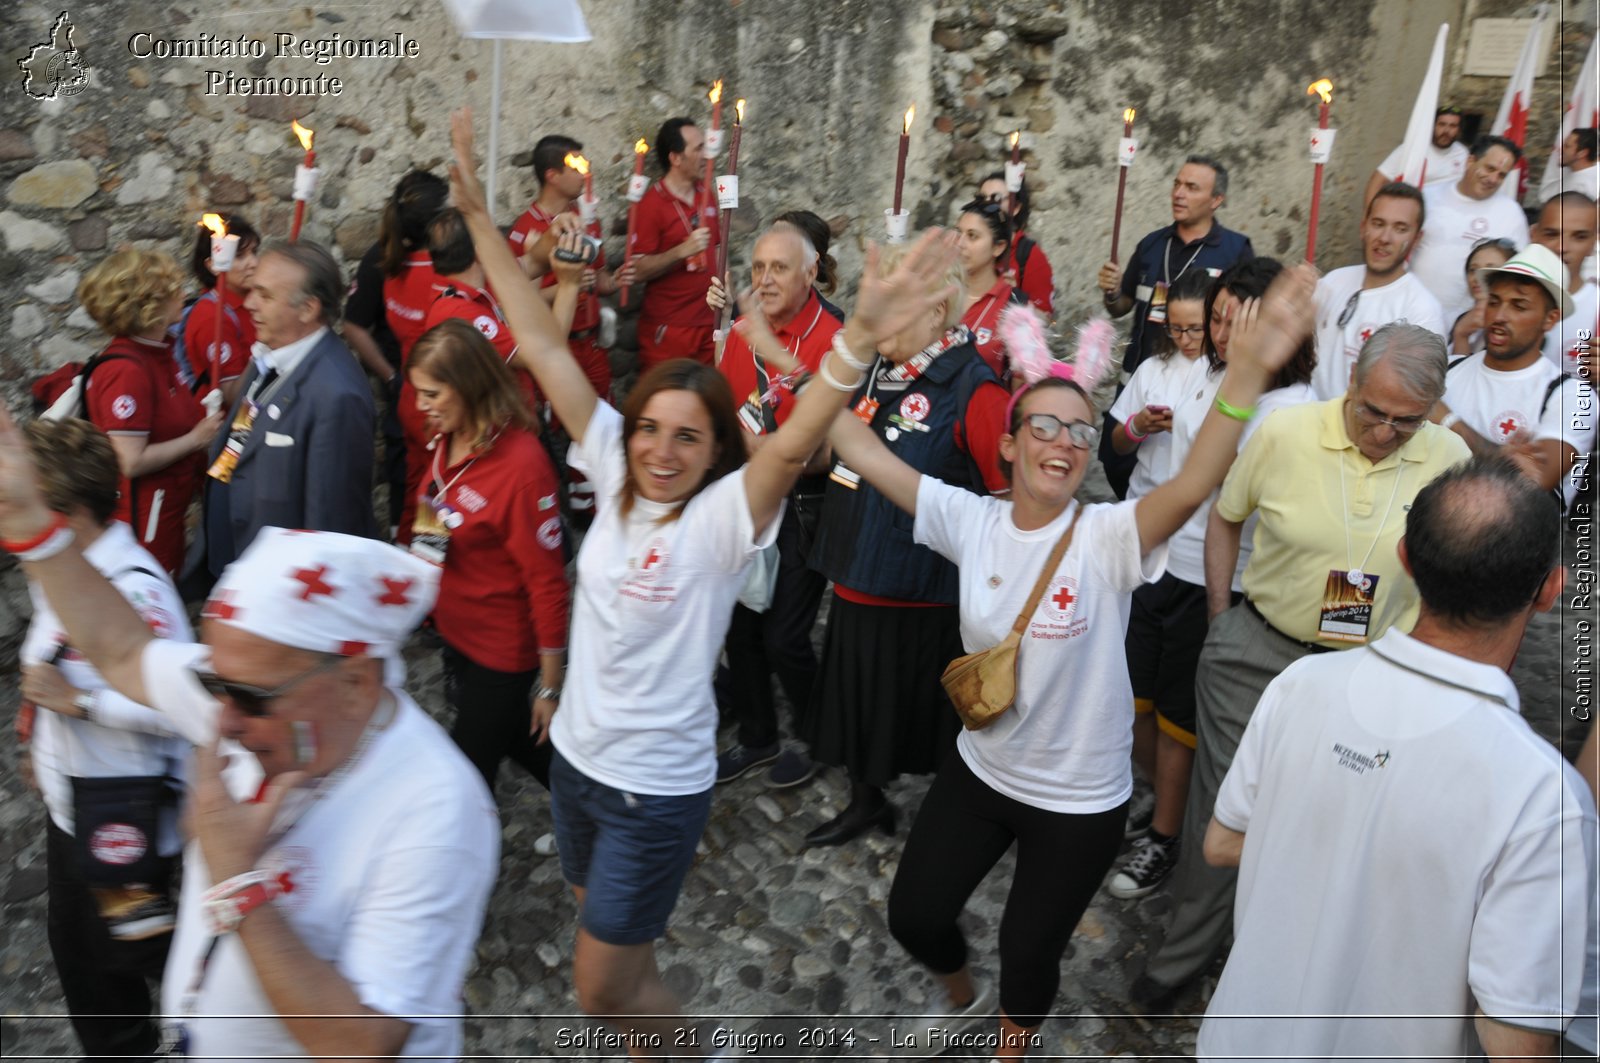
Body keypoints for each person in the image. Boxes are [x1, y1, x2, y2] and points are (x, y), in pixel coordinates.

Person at [449, 105, 960, 1052]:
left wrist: (856, 342)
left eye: (689, 434)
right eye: (650, 427)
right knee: (626, 966)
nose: (662, 448)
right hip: (577, 769)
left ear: (717, 445)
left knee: (599, 983)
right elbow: (547, 347)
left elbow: (801, 433)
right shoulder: (607, 460)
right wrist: (482, 221)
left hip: (654, 789)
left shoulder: (729, 517)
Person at [825, 263, 1317, 1056]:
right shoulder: (967, 518)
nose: (1064, 440)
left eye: (1080, 431)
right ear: (1011, 444)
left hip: (1079, 800)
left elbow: (1193, 481)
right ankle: (961, 996)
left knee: (1029, 953)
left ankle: (1009, 1042)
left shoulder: (1107, 536)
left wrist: (1251, 371)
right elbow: (849, 436)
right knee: (914, 913)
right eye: (1045, 426)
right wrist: (854, 336)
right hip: (982, 772)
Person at [0, 423, 500, 1058]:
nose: (223, 720)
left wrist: (237, 878)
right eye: (214, 685)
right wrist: (30, 525)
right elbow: (122, 648)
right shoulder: (245, 695)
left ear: (354, 681)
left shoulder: (437, 807)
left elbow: (363, 1043)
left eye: (253, 699)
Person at [1196, 458, 1594, 1060]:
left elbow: (1223, 843)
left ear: (1405, 559)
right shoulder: (1543, 796)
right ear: (1549, 590)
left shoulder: (1301, 682)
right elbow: (1516, 1042)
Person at [1130, 323, 1471, 1009]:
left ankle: (1279, 962)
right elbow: (1226, 517)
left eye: (1405, 421)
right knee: (1223, 809)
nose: (1383, 430)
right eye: (1372, 411)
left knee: (1332, 823)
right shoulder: (1286, 432)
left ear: (1432, 408)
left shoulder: (1450, 456)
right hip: (1259, 651)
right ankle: (1181, 958)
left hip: (1374, 672)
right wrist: (1225, 617)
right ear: (1351, 380)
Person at [1110, 259, 1318, 900]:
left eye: (1234, 320)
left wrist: (1222, 602)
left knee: (1178, 720)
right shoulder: (1208, 372)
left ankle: (1168, 837)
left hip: (1214, 576)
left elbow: (1225, 488)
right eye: (1217, 318)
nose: (1219, 333)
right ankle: (1168, 803)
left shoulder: (1288, 406)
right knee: (1134, 699)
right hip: (1161, 562)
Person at [798, 248, 1013, 849]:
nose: (875, 320)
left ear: (938, 308)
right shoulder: (877, 369)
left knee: (925, 720)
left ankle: (951, 827)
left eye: (892, 308)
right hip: (857, 571)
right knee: (858, 707)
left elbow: (1003, 507)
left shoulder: (976, 388)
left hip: (920, 595)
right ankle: (866, 802)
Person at [17, 419, 192, 1062]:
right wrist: (39, 734)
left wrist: (76, 703)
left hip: (123, 815)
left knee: (123, 957)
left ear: (67, 512)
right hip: (79, 806)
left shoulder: (134, 590)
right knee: (87, 956)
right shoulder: (64, 567)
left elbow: (182, 712)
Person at [405, 318, 568, 805]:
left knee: (464, 774)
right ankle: (597, 817)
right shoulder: (445, 435)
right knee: (520, 738)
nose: (419, 406)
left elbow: (548, 585)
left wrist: (551, 687)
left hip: (500, 649)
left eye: (431, 393)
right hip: (458, 634)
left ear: (469, 388)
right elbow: (432, 520)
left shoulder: (522, 468)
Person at [709, 224, 841, 789]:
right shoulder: (740, 331)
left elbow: (836, 447)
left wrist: (787, 456)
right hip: (747, 493)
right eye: (758, 267)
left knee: (786, 636)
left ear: (811, 274)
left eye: (778, 268)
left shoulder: (834, 339)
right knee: (738, 623)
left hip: (808, 503)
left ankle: (820, 734)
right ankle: (759, 737)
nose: (764, 280)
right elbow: (721, 411)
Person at [201, 241, 377, 577]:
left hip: (281, 584)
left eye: (264, 296)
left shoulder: (337, 396)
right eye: (252, 291)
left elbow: (330, 524)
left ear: (308, 309)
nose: (249, 304)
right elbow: (241, 441)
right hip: (240, 559)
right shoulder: (268, 353)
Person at [1097, 155, 1254, 498]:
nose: (1179, 193)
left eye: (1192, 187)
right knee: (1118, 459)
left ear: (1216, 200)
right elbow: (1122, 306)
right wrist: (1111, 292)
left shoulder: (1235, 251)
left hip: (1202, 380)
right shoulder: (1153, 244)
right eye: (1177, 184)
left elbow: (1246, 315)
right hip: (1143, 377)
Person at [76, 248, 221, 576]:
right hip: (143, 525)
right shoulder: (128, 370)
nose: (183, 295)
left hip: (165, 514)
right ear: (148, 305)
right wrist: (196, 439)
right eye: (173, 291)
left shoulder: (158, 353)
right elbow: (130, 460)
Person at [1434, 244, 1594, 497]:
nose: (1499, 316)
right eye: (1494, 302)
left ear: (1550, 319)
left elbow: (1529, 483)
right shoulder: (1447, 368)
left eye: (1518, 306)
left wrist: (1446, 419)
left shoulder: (1572, 398)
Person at [342, 171, 445, 539]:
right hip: (428, 399)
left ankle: (409, 552)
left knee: (418, 482)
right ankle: (427, 556)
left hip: (412, 395)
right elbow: (353, 324)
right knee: (432, 482)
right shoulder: (439, 266)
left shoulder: (392, 259)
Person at [506, 134, 634, 402]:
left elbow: (598, 278)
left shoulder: (586, 217)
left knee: (603, 420)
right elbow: (517, 303)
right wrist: (568, 285)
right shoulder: (524, 230)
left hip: (593, 344)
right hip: (557, 344)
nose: (586, 174)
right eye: (577, 167)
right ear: (552, 176)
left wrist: (616, 280)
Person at [1310, 182, 1446, 399]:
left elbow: (1416, 393)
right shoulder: (1334, 280)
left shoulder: (1422, 310)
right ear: (1364, 227)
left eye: (1400, 229)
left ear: (1417, 238)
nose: (1385, 238)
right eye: (1378, 223)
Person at [628, 116, 721, 369]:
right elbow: (636, 270)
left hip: (708, 323)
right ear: (676, 158)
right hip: (670, 328)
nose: (707, 155)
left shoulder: (707, 194)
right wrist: (681, 251)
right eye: (698, 149)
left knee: (706, 404)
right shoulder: (651, 204)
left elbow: (717, 252)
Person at [1409, 135, 1530, 316]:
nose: (1493, 179)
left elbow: (1518, 273)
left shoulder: (1511, 214)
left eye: (1501, 175)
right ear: (1471, 160)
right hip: (1412, 310)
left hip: (1468, 324)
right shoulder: (1428, 197)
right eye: (1490, 168)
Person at [182, 213, 261, 405]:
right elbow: (231, 396)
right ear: (213, 265)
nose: (254, 263)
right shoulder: (211, 316)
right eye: (240, 256)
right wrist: (265, 347)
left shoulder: (255, 301)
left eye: (254, 252)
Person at [1531, 191, 1600, 370]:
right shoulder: (1503, 299)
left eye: (1579, 237)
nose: (1562, 247)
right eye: (1552, 234)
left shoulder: (1597, 307)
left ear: (1594, 242)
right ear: (1534, 235)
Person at [956, 199, 1024, 380]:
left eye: (972, 236)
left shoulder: (1014, 305)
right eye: (958, 233)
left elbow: (1020, 381)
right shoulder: (938, 289)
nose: (959, 243)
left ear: (998, 247)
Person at [980, 170, 1056, 318]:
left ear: (1015, 208)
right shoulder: (967, 246)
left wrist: (1015, 298)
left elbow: (1047, 321)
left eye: (996, 199)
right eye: (982, 199)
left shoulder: (1029, 256)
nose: (985, 207)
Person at [1362, 105, 1469, 206]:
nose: (1446, 131)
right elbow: (1377, 180)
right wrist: (1369, 215)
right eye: (1442, 124)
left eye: (1452, 126)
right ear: (1433, 126)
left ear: (1459, 130)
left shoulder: (1462, 153)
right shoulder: (1412, 149)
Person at [1447, 237, 1517, 358]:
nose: (1477, 277)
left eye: (1490, 269)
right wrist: (1460, 335)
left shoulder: (1519, 323)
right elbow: (1455, 373)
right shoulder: (1461, 319)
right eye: (1472, 270)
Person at [1536, 126, 1600, 205]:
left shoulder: (1584, 186)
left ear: (1582, 153)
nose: (1560, 150)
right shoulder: (1584, 174)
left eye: (1567, 146)